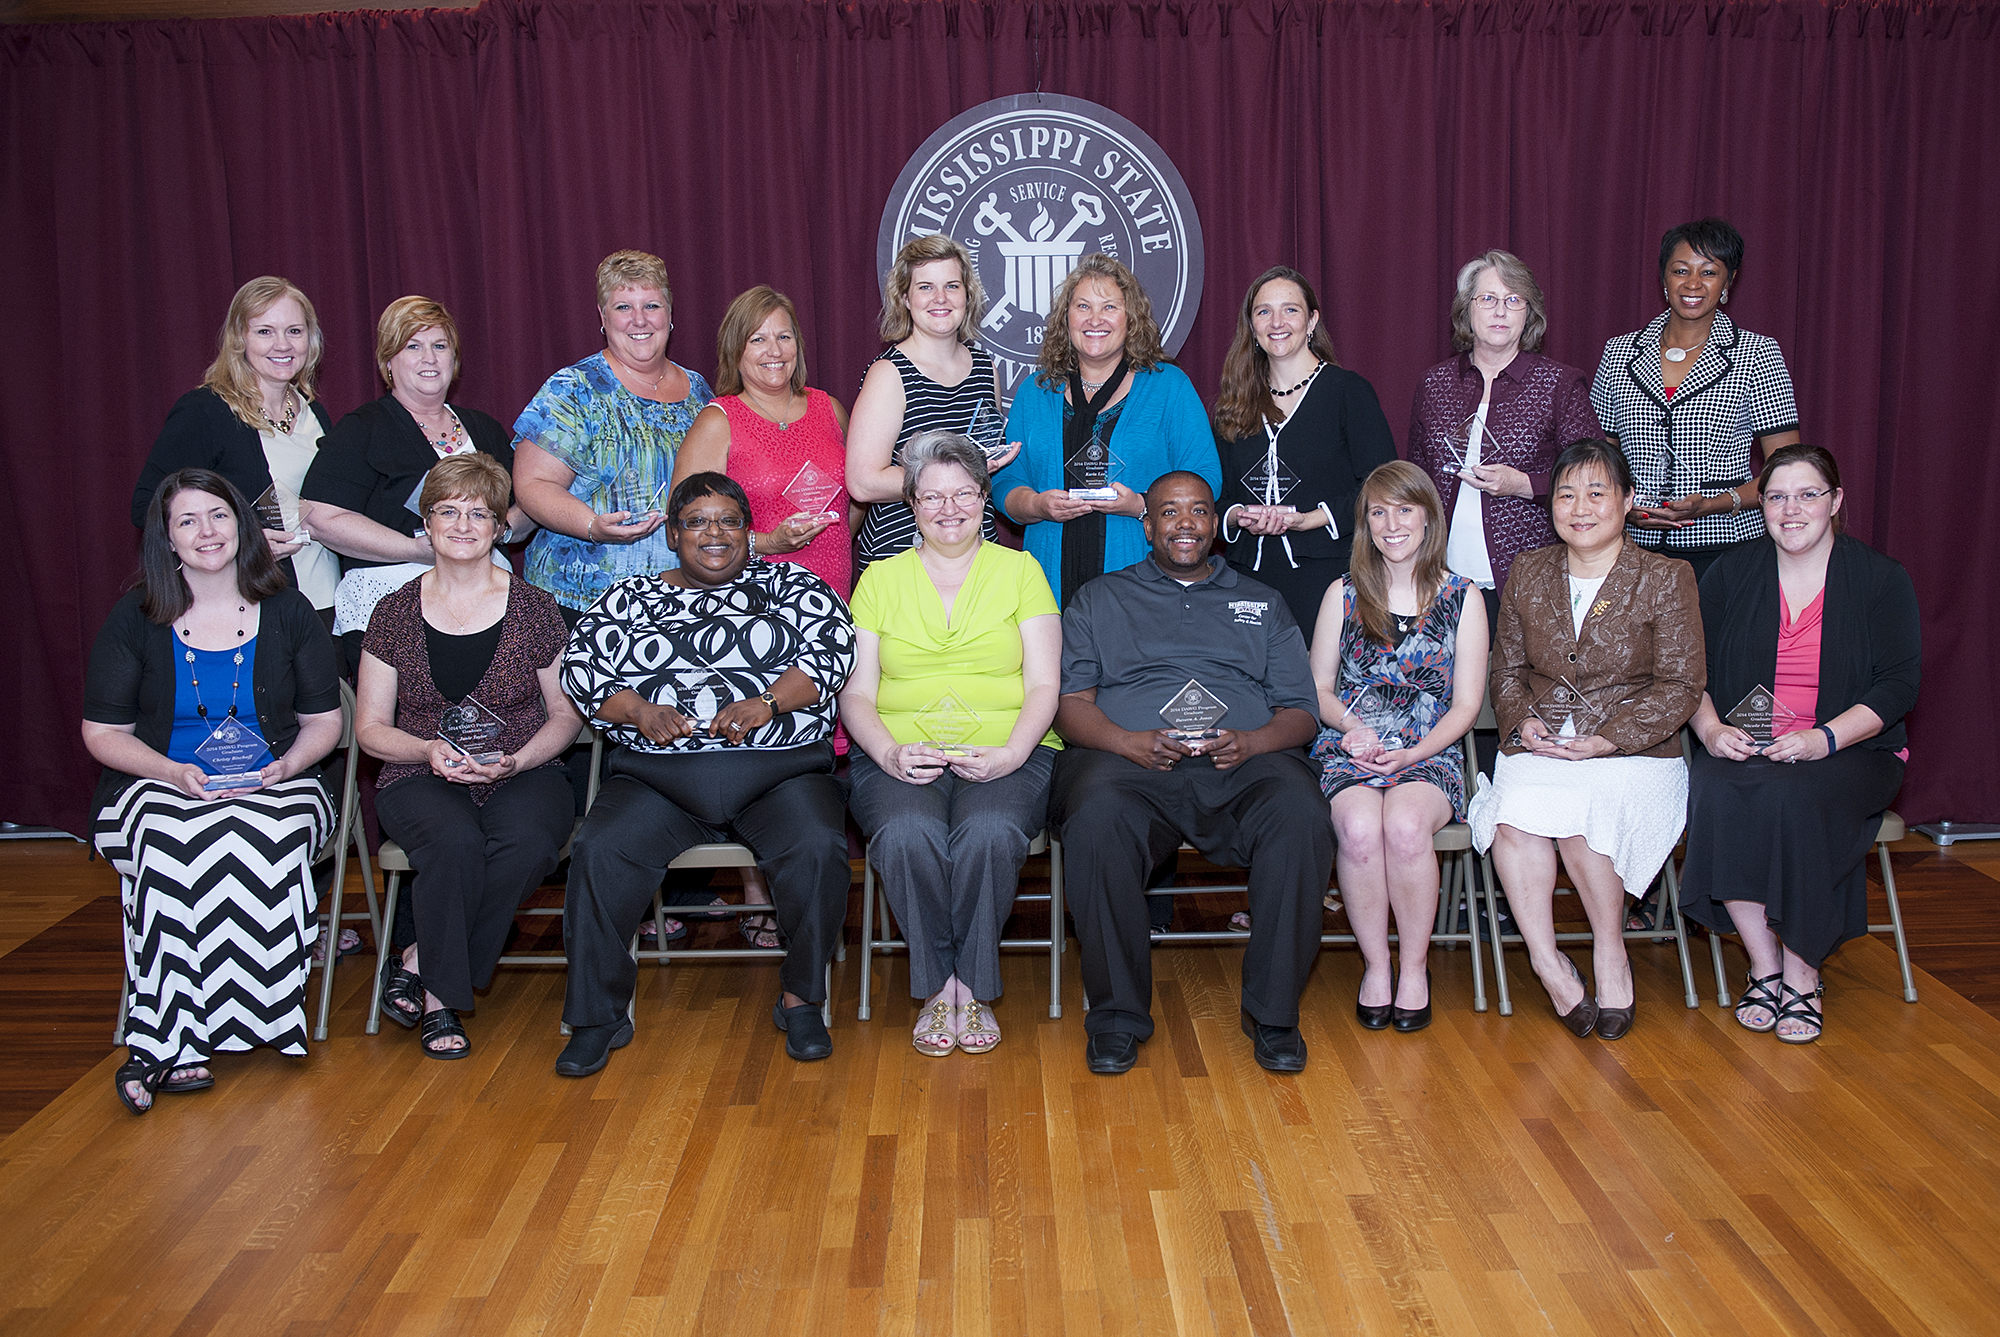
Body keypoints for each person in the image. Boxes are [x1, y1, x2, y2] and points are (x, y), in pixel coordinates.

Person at [555, 473, 854, 1075]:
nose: (713, 534)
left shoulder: (794, 588)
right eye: (696, 522)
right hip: (658, 779)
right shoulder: (626, 599)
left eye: (728, 521)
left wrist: (766, 704)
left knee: (820, 847)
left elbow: (831, 657)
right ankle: (597, 1016)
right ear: (671, 534)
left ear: (749, 531)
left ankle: (801, 1000)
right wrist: (640, 711)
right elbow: (582, 673)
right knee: (598, 849)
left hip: (779, 769)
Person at [1050, 472, 1333, 1075]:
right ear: (1146, 524)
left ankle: (1274, 1012)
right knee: (1095, 817)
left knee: (1300, 811)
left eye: (1199, 511)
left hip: (1240, 764)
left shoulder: (1261, 600)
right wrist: (1128, 743)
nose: (1185, 523)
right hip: (1129, 764)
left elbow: (1303, 713)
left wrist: (1254, 742)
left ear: (1215, 524)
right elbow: (1070, 706)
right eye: (1170, 513)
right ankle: (1117, 1017)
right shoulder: (1099, 598)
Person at [84, 469, 342, 1113]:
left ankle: (256, 1020)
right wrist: (171, 774)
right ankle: (170, 1040)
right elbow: (102, 732)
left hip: (275, 780)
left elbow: (324, 724)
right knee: (172, 842)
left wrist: (286, 768)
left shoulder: (289, 610)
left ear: (243, 526)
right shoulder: (136, 616)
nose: (207, 532)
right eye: (187, 521)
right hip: (156, 782)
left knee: (261, 832)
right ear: (166, 540)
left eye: (219, 516)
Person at [1678, 446, 1919, 1044]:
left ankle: (1804, 975)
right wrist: (1709, 730)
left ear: (1835, 501)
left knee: (1799, 796)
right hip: (1752, 747)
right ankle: (1765, 965)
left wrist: (1823, 738)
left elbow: (1899, 685)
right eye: (1777, 496)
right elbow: (1691, 670)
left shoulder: (1881, 579)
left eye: (1808, 494)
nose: (1791, 510)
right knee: (1712, 785)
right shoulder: (1730, 573)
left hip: (1854, 750)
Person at [1467, 441, 1705, 1041]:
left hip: (1634, 749)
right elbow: (1507, 671)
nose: (1580, 507)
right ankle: (1550, 966)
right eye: (1567, 494)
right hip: (1542, 741)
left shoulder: (1666, 576)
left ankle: (1609, 952)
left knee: (1581, 813)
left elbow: (1682, 684)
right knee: (1513, 822)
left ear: (1627, 501)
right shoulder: (1528, 570)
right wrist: (1522, 723)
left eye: (1597, 493)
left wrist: (1608, 741)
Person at [841, 432, 1061, 1057]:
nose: (949, 508)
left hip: (1010, 749)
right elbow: (856, 695)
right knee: (908, 835)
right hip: (900, 752)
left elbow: (1046, 682)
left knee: (989, 832)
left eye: (963, 493)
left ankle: (974, 985)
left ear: (985, 499)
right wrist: (886, 754)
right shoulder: (879, 580)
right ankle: (939, 986)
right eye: (932, 496)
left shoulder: (1022, 570)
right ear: (909, 503)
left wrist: (1013, 754)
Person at [353, 455, 579, 1059]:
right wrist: (428, 749)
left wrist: (516, 761)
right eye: (446, 511)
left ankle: (421, 958)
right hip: (419, 770)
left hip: (524, 768)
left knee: (529, 845)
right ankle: (441, 1003)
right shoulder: (393, 612)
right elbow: (371, 728)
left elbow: (565, 715)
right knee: (452, 843)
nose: (461, 524)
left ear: (499, 528)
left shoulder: (535, 609)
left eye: (478, 512)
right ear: (425, 524)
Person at [1308, 463, 1487, 1033]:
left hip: (1430, 750)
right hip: (1350, 745)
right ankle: (1376, 966)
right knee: (1360, 830)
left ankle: (1414, 968)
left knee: (1406, 828)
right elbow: (1316, 690)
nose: (1391, 524)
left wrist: (1411, 755)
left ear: (1429, 516)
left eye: (1404, 509)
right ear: (1365, 524)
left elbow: (1465, 708)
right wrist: (1353, 729)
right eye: (1378, 512)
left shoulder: (1465, 598)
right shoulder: (1342, 593)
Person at [303, 296, 530, 668]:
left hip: (488, 604)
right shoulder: (363, 429)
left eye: (440, 346)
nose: (430, 358)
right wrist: (417, 549)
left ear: (454, 360)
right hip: (391, 610)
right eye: (413, 346)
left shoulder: (484, 429)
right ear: (388, 361)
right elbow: (320, 517)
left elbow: (526, 504)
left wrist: (499, 532)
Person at [995, 254, 1219, 606]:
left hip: (1142, 590)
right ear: (1065, 318)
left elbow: (1205, 480)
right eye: (1083, 306)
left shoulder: (1168, 387)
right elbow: (1004, 484)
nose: (1095, 319)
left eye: (1109, 307)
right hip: (1045, 590)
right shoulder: (1035, 392)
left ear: (1130, 318)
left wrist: (1140, 506)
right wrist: (1038, 505)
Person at [1592, 218, 1801, 582]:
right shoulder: (1619, 351)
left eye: (1708, 272)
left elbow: (1785, 469)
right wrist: (1620, 507)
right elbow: (1598, 457)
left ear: (1728, 281)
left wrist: (1716, 504)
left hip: (1724, 551)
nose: (1692, 284)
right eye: (1680, 270)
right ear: (1663, 278)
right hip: (1631, 548)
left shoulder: (1757, 353)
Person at [512, 250, 714, 625]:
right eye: (624, 307)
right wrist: (592, 526)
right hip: (583, 600)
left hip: (681, 598)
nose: (639, 320)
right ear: (603, 318)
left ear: (670, 314)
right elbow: (533, 484)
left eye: (651, 305)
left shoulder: (700, 390)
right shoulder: (573, 389)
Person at [1406, 250, 1602, 630]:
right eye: (1488, 299)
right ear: (1467, 310)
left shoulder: (1560, 384)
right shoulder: (1434, 384)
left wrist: (1524, 484)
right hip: (1439, 575)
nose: (1500, 311)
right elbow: (1415, 478)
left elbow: (1594, 480)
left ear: (1529, 314)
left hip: (1528, 578)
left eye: (1514, 300)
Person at [130, 276, 340, 614]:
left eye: (294, 331)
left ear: (311, 339)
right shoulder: (205, 412)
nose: (282, 345)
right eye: (265, 331)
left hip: (326, 603)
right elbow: (149, 506)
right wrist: (245, 541)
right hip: (250, 606)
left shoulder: (314, 413)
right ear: (239, 339)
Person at [1212, 266, 1396, 643]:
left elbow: (1382, 489)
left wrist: (1311, 519)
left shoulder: (1348, 393)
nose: (1277, 322)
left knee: (1318, 691)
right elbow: (1214, 492)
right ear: (1251, 325)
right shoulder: (1233, 402)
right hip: (1249, 579)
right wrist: (1238, 516)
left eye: (1290, 310)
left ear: (1312, 320)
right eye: (1264, 311)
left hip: (1328, 575)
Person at [847, 234, 1019, 575]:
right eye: (925, 287)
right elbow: (863, 482)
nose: (940, 298)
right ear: (905, 298)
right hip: (902, 559)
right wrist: (962, 474)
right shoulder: (889, 374)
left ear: (968, 296)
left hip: (976, 556)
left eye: (952, 286)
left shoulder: (986, 369)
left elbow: (983, 457)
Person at [673, 285, 855, 597]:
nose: (775, 351)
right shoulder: (718, 421)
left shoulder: (830, 409)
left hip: (833, 594)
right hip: (752, 599)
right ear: (735, 350)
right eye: (758, 339)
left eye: (784, 337)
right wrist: (770, 542)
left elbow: (856, 498)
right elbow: (683, 532)